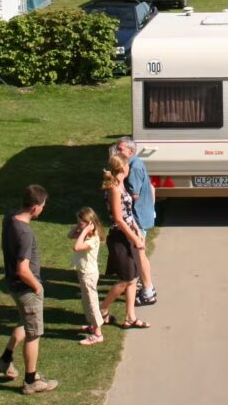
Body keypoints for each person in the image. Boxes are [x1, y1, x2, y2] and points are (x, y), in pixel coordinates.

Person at [0, 185, 59, 395]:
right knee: (34, 334)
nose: (43, 209)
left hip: (13, 285)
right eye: (43, 206)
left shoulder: (9, 218)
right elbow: (23, 269)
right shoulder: (25, 233)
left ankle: (4, 360)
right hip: (26, 289)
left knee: (26, 324)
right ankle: (31, 381)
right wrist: (37, 286)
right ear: (35, 207)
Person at [98, 155, 151, 329]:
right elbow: (119, 220)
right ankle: (102, 309)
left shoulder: (120, 185)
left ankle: (130, 317)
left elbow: (128, 212)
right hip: (119, 237)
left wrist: (137, 228)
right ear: (122, 168)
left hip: (128, 234)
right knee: (125, 279)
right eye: (127, 165)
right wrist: (134, 237)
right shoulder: (113, 188)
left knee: (134, 277)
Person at [115, 137, 157, 305]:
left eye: (120, 149)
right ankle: (144, 285)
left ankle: (148, 290)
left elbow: (134, 195)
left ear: (130, 152)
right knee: (138, 253)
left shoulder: (134, 167)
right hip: (141, 215)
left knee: (139, 253)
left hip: (137, 217)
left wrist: (118, 185)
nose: (117, 152)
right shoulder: (136, 163)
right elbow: (152, 188)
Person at [70, 207, 104, 346]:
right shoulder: (86, 235)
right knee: (86, 300)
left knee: (92, 302)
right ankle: (92, 325)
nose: (79, 225)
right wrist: (79, 229)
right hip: (83, 272)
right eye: (78, 223)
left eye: (82, 223)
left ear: (90, 223)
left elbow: (76, 247)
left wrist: (83, 232)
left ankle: (98, 333)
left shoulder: (93, 239)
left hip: (88, 274)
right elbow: (70, 235)